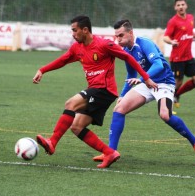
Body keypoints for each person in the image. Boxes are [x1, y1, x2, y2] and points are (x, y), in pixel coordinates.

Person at [32, 15, 158, 168]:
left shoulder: (104, 44)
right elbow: (63, 60)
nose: (73, 34)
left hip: (104, 90)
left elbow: (127, 57)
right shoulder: (77, 48)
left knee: (70, 103)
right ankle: (110, 153)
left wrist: (146, 78)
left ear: (85, 30)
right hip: (95, 91)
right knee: (77, 127)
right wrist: (42, 70)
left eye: (75, 30)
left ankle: (52, 142)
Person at [93, 19, 195, 162]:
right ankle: (110, 152)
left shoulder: (144, 43)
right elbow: (131, 75)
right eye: (117, 36)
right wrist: (122, 95)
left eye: (121, 35)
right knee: (119, 109)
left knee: (165, 115)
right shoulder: (126, 51)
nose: (118, 39)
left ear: (131, 33)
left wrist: (142, 80)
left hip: (164, 82)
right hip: (146, 82)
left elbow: (158, 65)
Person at [163, 0, 195, 108]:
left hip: (188, 57)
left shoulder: (191, 18)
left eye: (182, 4)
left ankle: (177, 95)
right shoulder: (173, 21)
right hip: (177, 58)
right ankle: (167, 106)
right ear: (175, 7)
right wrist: (171, 41)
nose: (181, 7)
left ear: (186, 6)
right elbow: (165, 37)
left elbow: (190, 31)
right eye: (178, 5)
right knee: (177, 82)